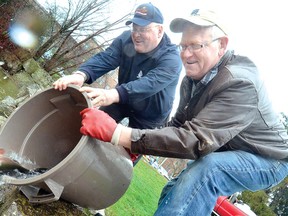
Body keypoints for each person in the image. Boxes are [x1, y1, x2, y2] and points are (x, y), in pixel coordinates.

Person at [79, 8, 288, 215]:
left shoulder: (240, 83)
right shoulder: (192, 80)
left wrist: (118, 133)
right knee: (174, 190)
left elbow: (195, 139)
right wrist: (142, 142)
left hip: (268, 158)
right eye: (183, 46)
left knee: (208, 172)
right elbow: (177, 126)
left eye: (196, 45)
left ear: (221, 45)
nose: (186, 55)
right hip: (227, 146)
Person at [53, 3, 182, 164]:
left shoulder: (172, 59)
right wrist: (81, 74)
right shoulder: (125, 39)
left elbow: (149, 84)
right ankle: (68, 164)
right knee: (91, 127)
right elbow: (106, 58)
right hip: (120, 100)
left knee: (125, 160)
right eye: (135, 28)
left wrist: (111, 95)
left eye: (143, 29)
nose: (136, 34)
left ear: (159, 30)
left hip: (149, 116)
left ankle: (106, 184)